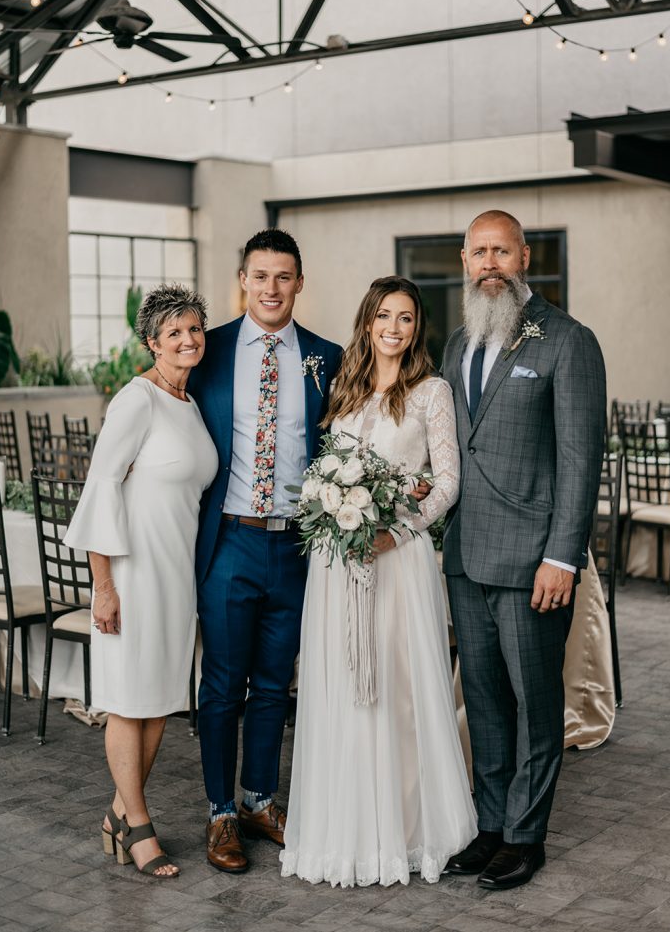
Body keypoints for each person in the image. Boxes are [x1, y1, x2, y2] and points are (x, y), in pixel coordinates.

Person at [281, 276, 478, 888]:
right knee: (341, 689)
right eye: (384, 316)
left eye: (407, 319)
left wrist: (398, 531)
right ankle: (345, 833)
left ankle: (409, 830)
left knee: (398, 691)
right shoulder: (344, 388)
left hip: (398, 562)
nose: (394, 328)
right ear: (367, 322)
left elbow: (446, 483)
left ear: (417, 329)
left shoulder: (432, 393)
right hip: (337, 564)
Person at [441, 210, 606, 890]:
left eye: (500, 250)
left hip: (534, 562)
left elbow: (579, 458)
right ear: (464, 259)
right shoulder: (455, 343)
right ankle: (490, 825)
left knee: (534, 701)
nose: (489, 263)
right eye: (478, 251)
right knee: (482, 700)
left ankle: (525, 835)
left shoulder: (567, 341)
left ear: (524, 256)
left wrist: (562, 557)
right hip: (465, 556)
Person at [187, 229, 343, 874]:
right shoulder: (209, 350)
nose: (271, 289)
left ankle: (259, 799)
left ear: (300, 282)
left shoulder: (327, 357)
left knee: (275, 684)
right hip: (229, 540)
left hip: (296, 547)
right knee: (223, 684)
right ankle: (221, 811)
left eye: (283, 277)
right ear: (243, 281)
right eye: (260, 276)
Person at [64, 284, 217, 879]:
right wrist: (103, 585)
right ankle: (138, 827)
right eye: (174, 332)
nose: (187, 340)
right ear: (152, 342)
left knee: (158, 704)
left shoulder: (189, 402)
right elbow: (101, 488)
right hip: (131, 573)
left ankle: (117, 815)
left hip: (177, 575)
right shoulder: (137, 399)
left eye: (195, 329)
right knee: (130, 704)